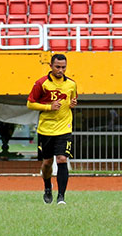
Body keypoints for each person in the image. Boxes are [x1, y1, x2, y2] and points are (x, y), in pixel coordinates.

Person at [27, 53, 78, 205]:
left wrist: (73, 104)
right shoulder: (41, 83)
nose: (60, 70)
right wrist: (49, 107)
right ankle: (47, 187)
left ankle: (61, 197)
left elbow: (73, 99)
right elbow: (30, 103)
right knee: (47, 163)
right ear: (50, 66)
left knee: (62, 159)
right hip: (46, 129)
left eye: (63, 67)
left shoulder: (71, 84)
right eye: (57, 67)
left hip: (64, 127)